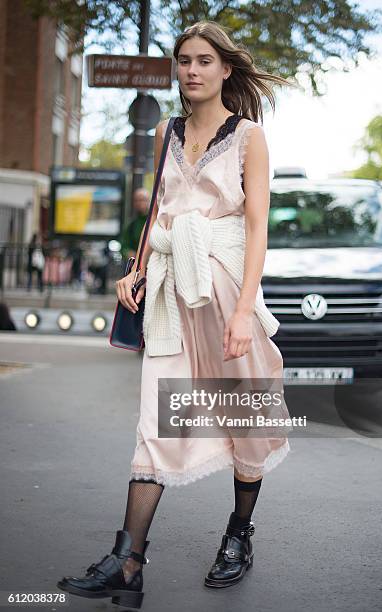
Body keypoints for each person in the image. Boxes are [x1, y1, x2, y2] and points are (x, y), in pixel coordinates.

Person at [57, 20, 296, 609]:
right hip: (169, 295)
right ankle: (128, 561)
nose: (191, 70)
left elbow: (258, 227)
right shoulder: (166, 132)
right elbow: (159, 217)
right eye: (184, 60)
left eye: (204, 61)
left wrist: (244, 311)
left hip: (225, 292)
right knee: (153, 422)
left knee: (248, 416)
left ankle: (238, 537)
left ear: (226, 70)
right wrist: (135, 269)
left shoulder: (249, 138)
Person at [120, 188, 150, 261]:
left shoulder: (158, 221)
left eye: (143, 199)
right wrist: (128, 253)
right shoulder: (132, 225)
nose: (140, 203)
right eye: (137, 200)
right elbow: (124, 246)